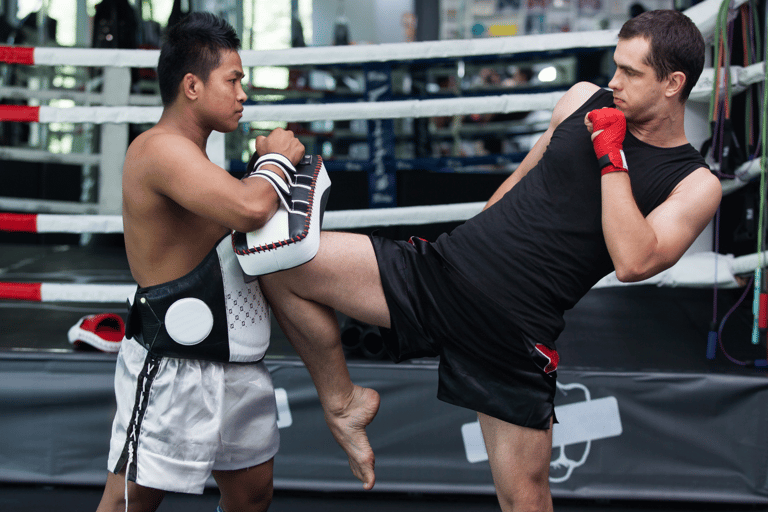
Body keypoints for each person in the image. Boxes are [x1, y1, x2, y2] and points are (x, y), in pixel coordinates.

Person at [257, 9, 722, 511]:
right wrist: (470, 243)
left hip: (514, 332)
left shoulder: (695, 184)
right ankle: (343, 403)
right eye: (616, 66)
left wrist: (613, 157)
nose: (615, 82)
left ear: (674, 83)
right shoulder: (583, 99)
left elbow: (634, 261)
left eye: (631, 73)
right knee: (279, 258)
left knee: (524, 499)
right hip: (446, 272)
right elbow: (517, 183)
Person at [96, 12, 305, 512]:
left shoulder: (200, 161)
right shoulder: (157, 149)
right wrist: (275, 157)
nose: (243, 94)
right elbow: (251, 207)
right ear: (192, 85)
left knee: (253, 495)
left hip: (234, 359)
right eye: (232, 80)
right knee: (131, 502)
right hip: (173, 363)